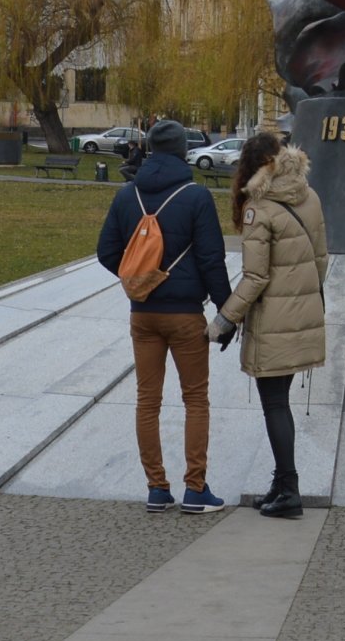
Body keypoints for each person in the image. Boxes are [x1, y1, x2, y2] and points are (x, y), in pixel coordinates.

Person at [94, 119, 233, 513]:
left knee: (146, 401)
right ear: (182, 151)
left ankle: (157, 488)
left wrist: (139, 278)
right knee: (196, 400)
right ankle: (195, 488)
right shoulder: (196, 196)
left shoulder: (126, 195)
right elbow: (211, 260)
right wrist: (226, 313)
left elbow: (106, 251)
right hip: (186, 315)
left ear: (151, 149)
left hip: (143, 315)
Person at [211, 125, 328, 520]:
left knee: (275, 404)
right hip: (301, 315)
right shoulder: (308, 195)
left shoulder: (258, 208)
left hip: (274, 320)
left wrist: (225, 320)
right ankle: (281, 484)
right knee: (280, 401)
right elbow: (321, 260)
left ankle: (289, 489)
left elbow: (256, 277)